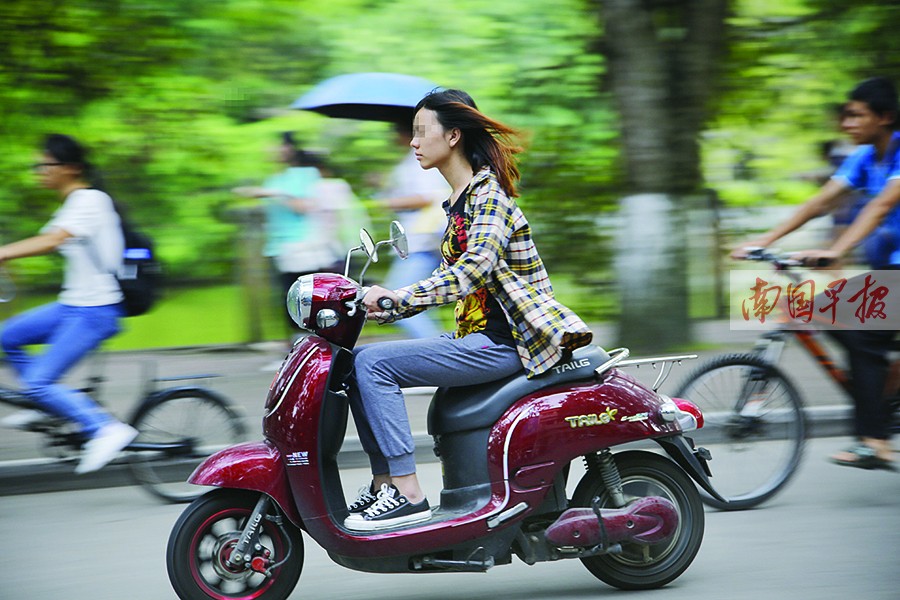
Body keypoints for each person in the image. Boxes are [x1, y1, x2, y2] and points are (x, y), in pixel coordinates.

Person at [343, 89, 593, 530]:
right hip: (477, 336)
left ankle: (407, 491)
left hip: (507, 341)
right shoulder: (459, 200)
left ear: (454, 135)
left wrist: (401, 297)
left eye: (422, 132)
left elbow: (472, 272)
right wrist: (385, 309)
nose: (413, 142)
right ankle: (386, 483)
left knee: (376, 366)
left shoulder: (487, 197)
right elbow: (457, 282)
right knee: (359, 360)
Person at [734, 77, 900, 470]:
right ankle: (881, 394)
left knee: (862, 333)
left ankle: (874, 439)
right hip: (889, 271)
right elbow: (820, 202)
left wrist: (835, 252)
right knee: (824, 310)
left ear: (885, 117)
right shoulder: (865, 156)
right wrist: (764, 240)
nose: (846, 123)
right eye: (846, 115)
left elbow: (878, 207)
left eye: (857, 115)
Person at [0, 133, 138, 474]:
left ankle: (104, 428)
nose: (40, 170)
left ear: (72, 168)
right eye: (39, 164)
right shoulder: (72, 204)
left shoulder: (91, 200)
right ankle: (47, 404)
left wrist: (4, 252)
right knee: (6, 337)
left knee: (39, 380)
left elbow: (53, 239)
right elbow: (45, 239)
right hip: (72, 306)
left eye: (47, 164)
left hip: (97, 310)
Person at [234, 132, 342, 341]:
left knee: (307, 302)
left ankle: (317, 347)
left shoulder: (306, 175)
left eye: (276, 145)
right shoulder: (274, 179)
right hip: (280, 248)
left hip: (304, 247)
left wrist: (274, 194)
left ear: (288, 149)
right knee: (286, 301)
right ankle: (295, 350)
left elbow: (305, 207)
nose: (271, 150)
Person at [377, 122, 451, 339]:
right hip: (418, 242)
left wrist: (391, 202)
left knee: (395, 301)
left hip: (422, 242)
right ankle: (440, 347)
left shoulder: (418, 160)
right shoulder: (411, 160)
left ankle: (437, 352)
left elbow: (428, 196)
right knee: (419, 302)